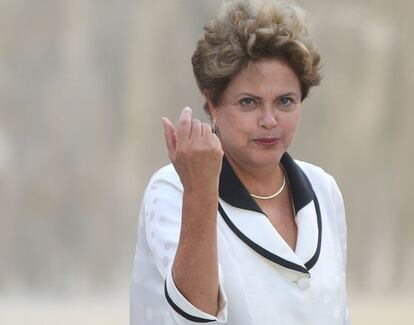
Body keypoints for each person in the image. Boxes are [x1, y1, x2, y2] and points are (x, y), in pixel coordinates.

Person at [130, 0, 349, 324]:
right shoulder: (174, 187)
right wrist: (200, 190)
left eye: (285, 101)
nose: (269, 120)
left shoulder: (323, 189)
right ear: (212, 104)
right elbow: (195, 318)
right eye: (249, 102)